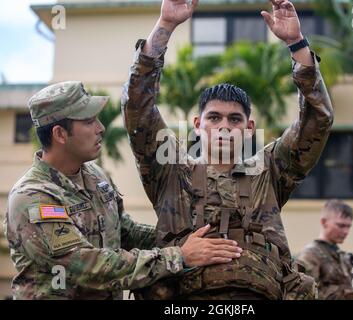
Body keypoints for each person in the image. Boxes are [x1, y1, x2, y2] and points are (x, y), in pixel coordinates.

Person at [122, 0, 333, 300]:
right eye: (214, 118)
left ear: (249, 128)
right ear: (198, 124)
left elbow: (318, 120)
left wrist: (296, 44)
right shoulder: (170, 170)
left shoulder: (269, 170)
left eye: (234, 119)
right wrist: (165, 26)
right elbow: (137, 110)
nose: (223, 127)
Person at [4, 81, 241, 300]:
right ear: (60, 134)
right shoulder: (32, 197)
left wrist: (186, 236)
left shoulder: (94, 176)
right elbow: (87, 266)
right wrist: (178, 256)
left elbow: (123, 232)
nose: (101, 128)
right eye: (88, 121)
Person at [297, 199, 353, 300]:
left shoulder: (349, 260)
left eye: (348, 226)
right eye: (341, 225)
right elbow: (305, 294)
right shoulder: (310, 256)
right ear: (324, 222)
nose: (346, 231)